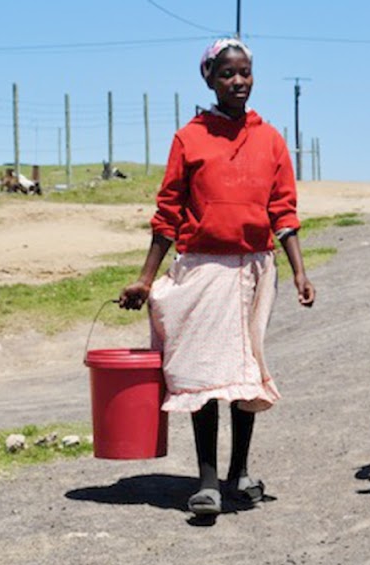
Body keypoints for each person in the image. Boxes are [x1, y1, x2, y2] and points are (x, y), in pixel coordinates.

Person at [119, 37, 315, 517]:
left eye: (245, 72)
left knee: (244, 375)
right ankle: (207, 482)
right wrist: (145, 279)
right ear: (208, 78)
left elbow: (283, 210)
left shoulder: (269, 139)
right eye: (227, 74)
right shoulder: (189, 138)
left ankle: (239, 471)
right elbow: (167, 215)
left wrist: (299, 271)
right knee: (206, 373)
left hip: (254, 268)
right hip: (203, 266)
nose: (238, 81)